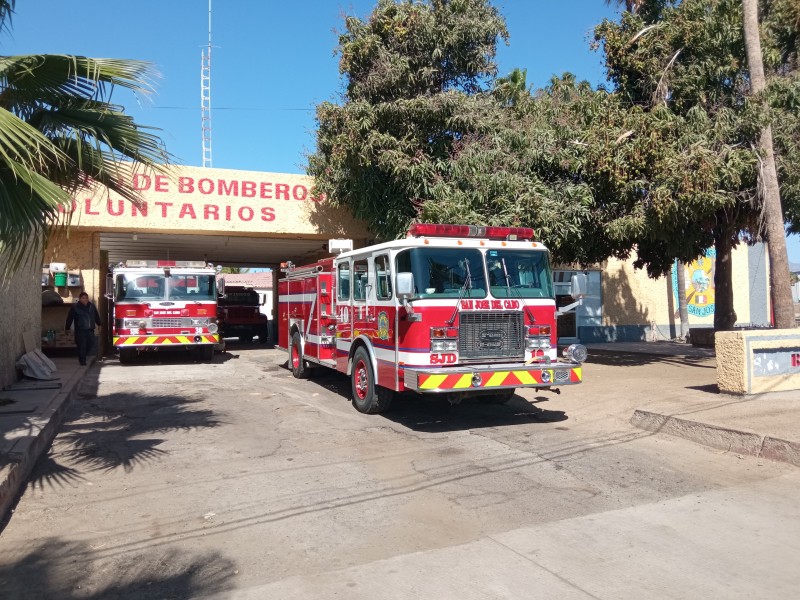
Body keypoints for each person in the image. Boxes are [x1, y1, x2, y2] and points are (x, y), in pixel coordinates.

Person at [65, 291, 102, 366]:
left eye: (86, 298)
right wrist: (67, 328)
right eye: (83, 298)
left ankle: (83, 355)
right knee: (82, 345)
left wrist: (99, 324)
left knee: (91, 344)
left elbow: (96, 316)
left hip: (90, 330)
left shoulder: (92, 306)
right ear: (80, 299)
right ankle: (82, 360)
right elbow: (70, 318)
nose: (85, 299)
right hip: (80, 330)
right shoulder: (75, 307)